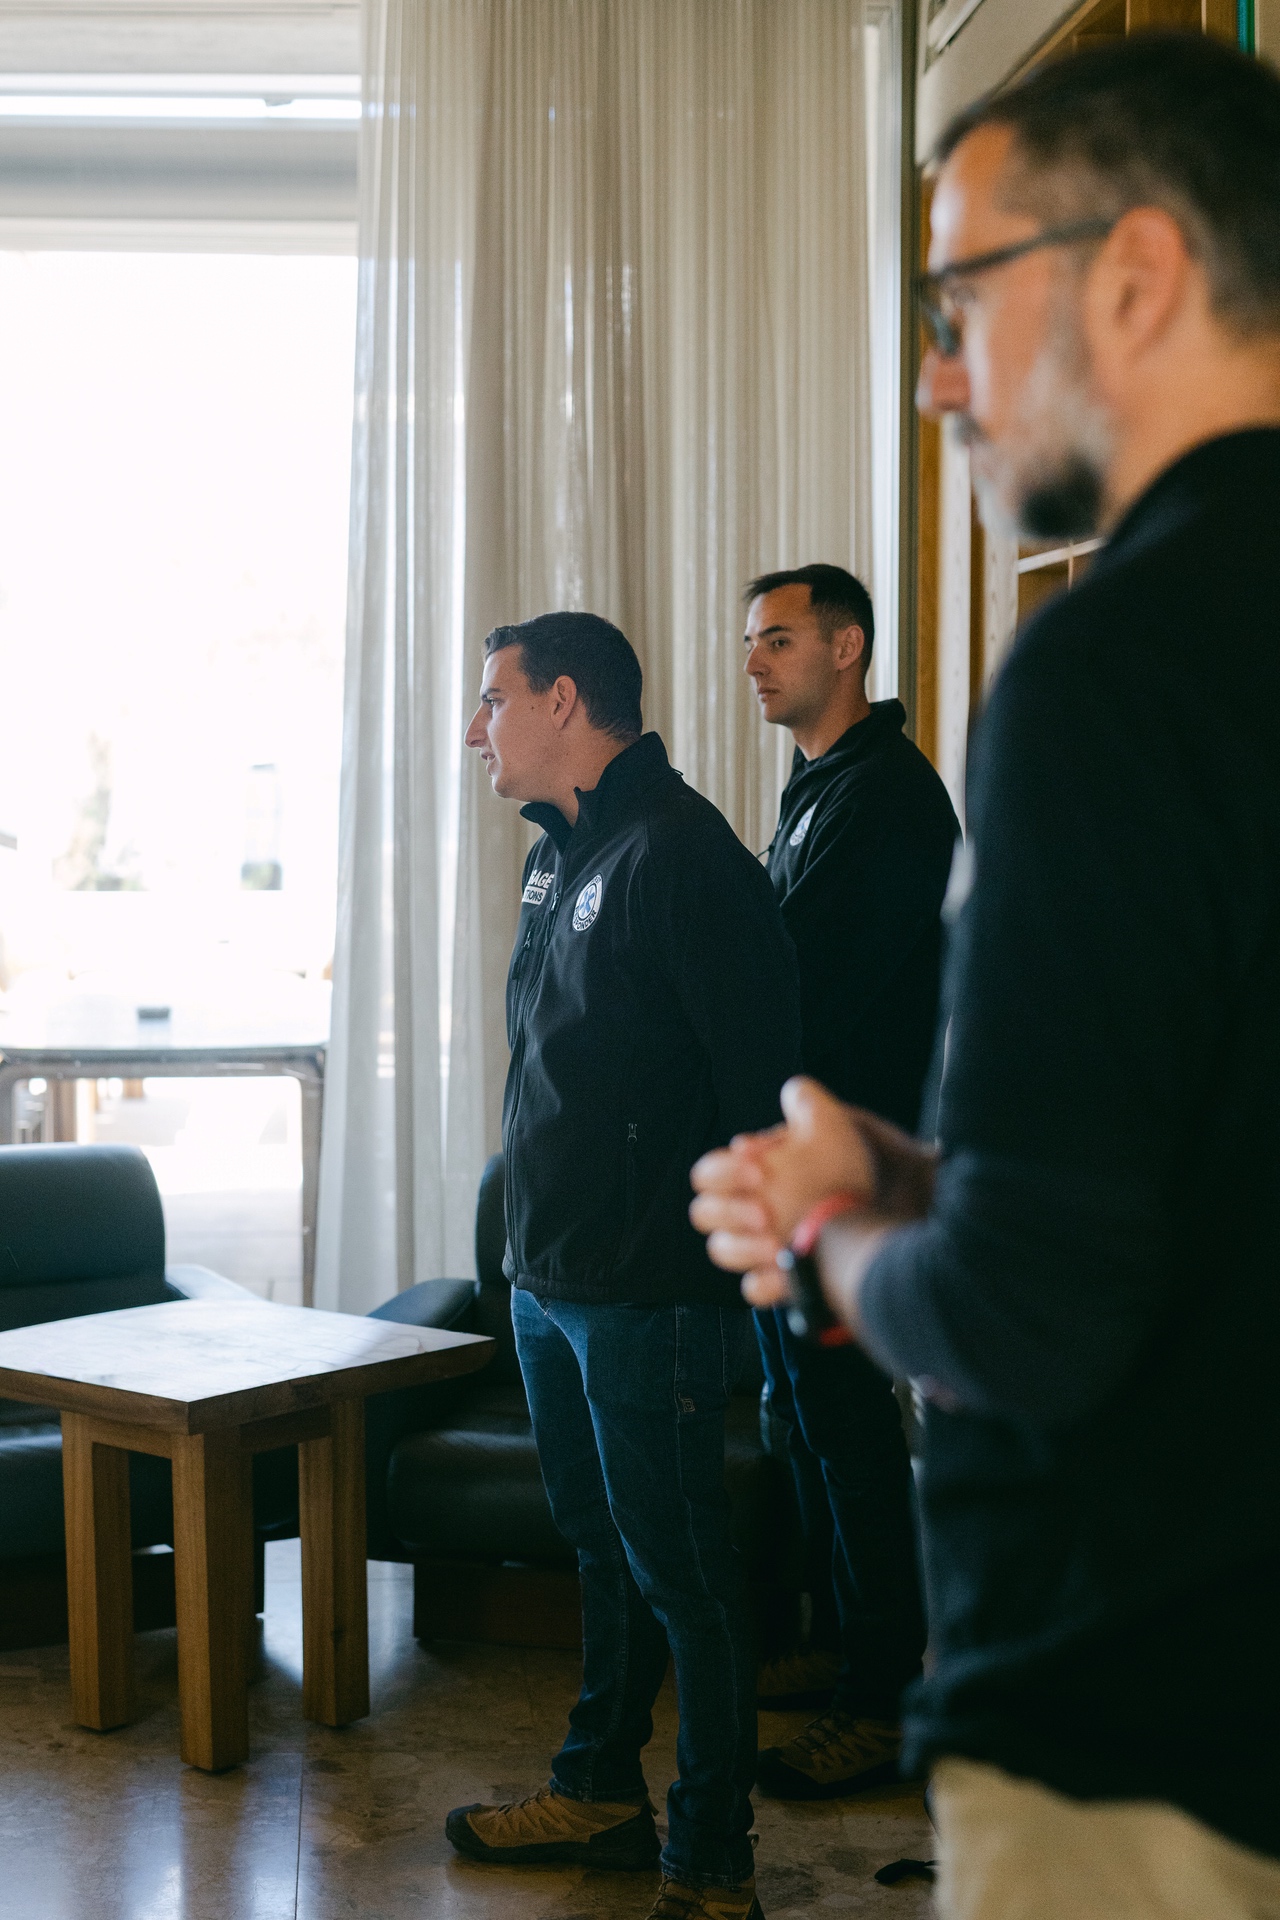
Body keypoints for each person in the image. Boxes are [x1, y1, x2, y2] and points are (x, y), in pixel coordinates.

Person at [691, 33, 1280, 1920]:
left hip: (1153, 1714)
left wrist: (832, 1228)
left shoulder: (1119, 671)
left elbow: (1029, 1317)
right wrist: (942, 1175)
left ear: (1137, 272)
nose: (940, 375)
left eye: (960, 301)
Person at [448, 611, 801, 1920]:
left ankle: (711, 1861)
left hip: (649, 1291)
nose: (475, 729)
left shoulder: (684, 856)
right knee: (601, 1550)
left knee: (685, 1576)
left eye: (494, 699)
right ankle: (599, 1786)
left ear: (563, 700)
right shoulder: (557, 856)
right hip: (549, 1278)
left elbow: (762, 1089)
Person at [741, 563, 957, 1797]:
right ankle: (836, 1647)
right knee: (806, 1427)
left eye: (778, 640)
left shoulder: (886, 797)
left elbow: (799, 975)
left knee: (849, 1436)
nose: (754, 662)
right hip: (807, 1165)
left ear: (847, 647)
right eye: (752, 643)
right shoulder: (819, 785)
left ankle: (879, 1702)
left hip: (860, 1175)